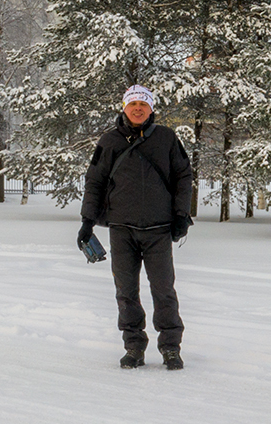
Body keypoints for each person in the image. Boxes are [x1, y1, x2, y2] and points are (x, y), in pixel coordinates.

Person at [78, 84, 194, 370]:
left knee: (164, 290)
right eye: (133, 104)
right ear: (125, 107)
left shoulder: (166, 138)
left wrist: (181, 214)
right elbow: (95, 181)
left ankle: (170, 348)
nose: (138, 109)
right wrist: (87, 221)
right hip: (122, 229)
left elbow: (183, 176)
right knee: (126, 291)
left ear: (151, 108)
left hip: (158, 229)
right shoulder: (109, 141)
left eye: (143, 104)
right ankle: (134, 347)